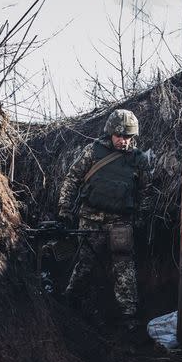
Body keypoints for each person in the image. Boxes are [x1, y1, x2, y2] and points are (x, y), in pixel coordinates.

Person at [58, 109, 151, 335]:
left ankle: (128, 317)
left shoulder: (139, 160)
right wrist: (64, 208)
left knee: (124, 267)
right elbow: (72, 178)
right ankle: (70, 304)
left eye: (128, 137)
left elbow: (146, 192)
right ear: (110, 133)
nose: (123, 141)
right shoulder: (93, 151)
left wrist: (141, 219)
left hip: (120, 221)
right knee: (85, 263)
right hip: (90, 218)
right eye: (119, 136)